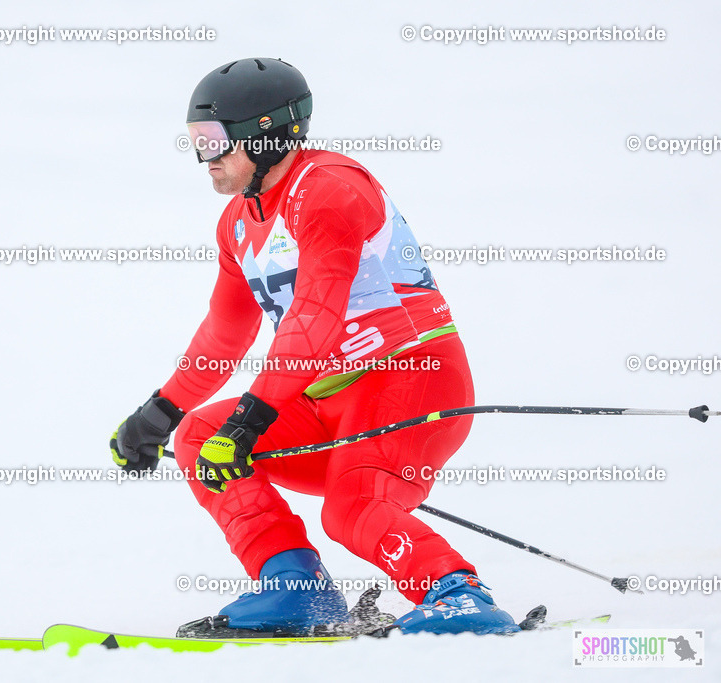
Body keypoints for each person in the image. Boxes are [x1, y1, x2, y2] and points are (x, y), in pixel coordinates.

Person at [110, 57, 518, 636]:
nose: (205, 157)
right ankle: (295, 590)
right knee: (201, 436)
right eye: (197, 141)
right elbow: (225, 332)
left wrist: (250, 420)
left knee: (352, 508)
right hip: (323, 398)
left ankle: (460, 595)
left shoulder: (328, 188)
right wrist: (159, 413)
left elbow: (315, 315)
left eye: (215, 140)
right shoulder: (237, 222)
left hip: (409, 376)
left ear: (267, 136)